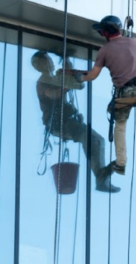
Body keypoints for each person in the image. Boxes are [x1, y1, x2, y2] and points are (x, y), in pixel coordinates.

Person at [74, 15, 136, 174]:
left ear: (105, 33)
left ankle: (121, 163)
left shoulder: (104, 51)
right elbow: (129, 47)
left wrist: (81, 78)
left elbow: (93, 75)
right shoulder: (134, 42)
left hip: (124, 93)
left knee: (120, 126)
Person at [31, 50, 119, 193]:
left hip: (67, 121)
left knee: (98, 140)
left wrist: (66, 61)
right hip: (58, 123)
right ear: (40, 65)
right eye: (46, 61)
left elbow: (67, 76)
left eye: (50, 60)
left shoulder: (54, 79)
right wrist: (69, 85)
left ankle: (102, 176)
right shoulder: (42, 83)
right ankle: (100, 177)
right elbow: (54, 94)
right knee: (90, 138)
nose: (51, 63)